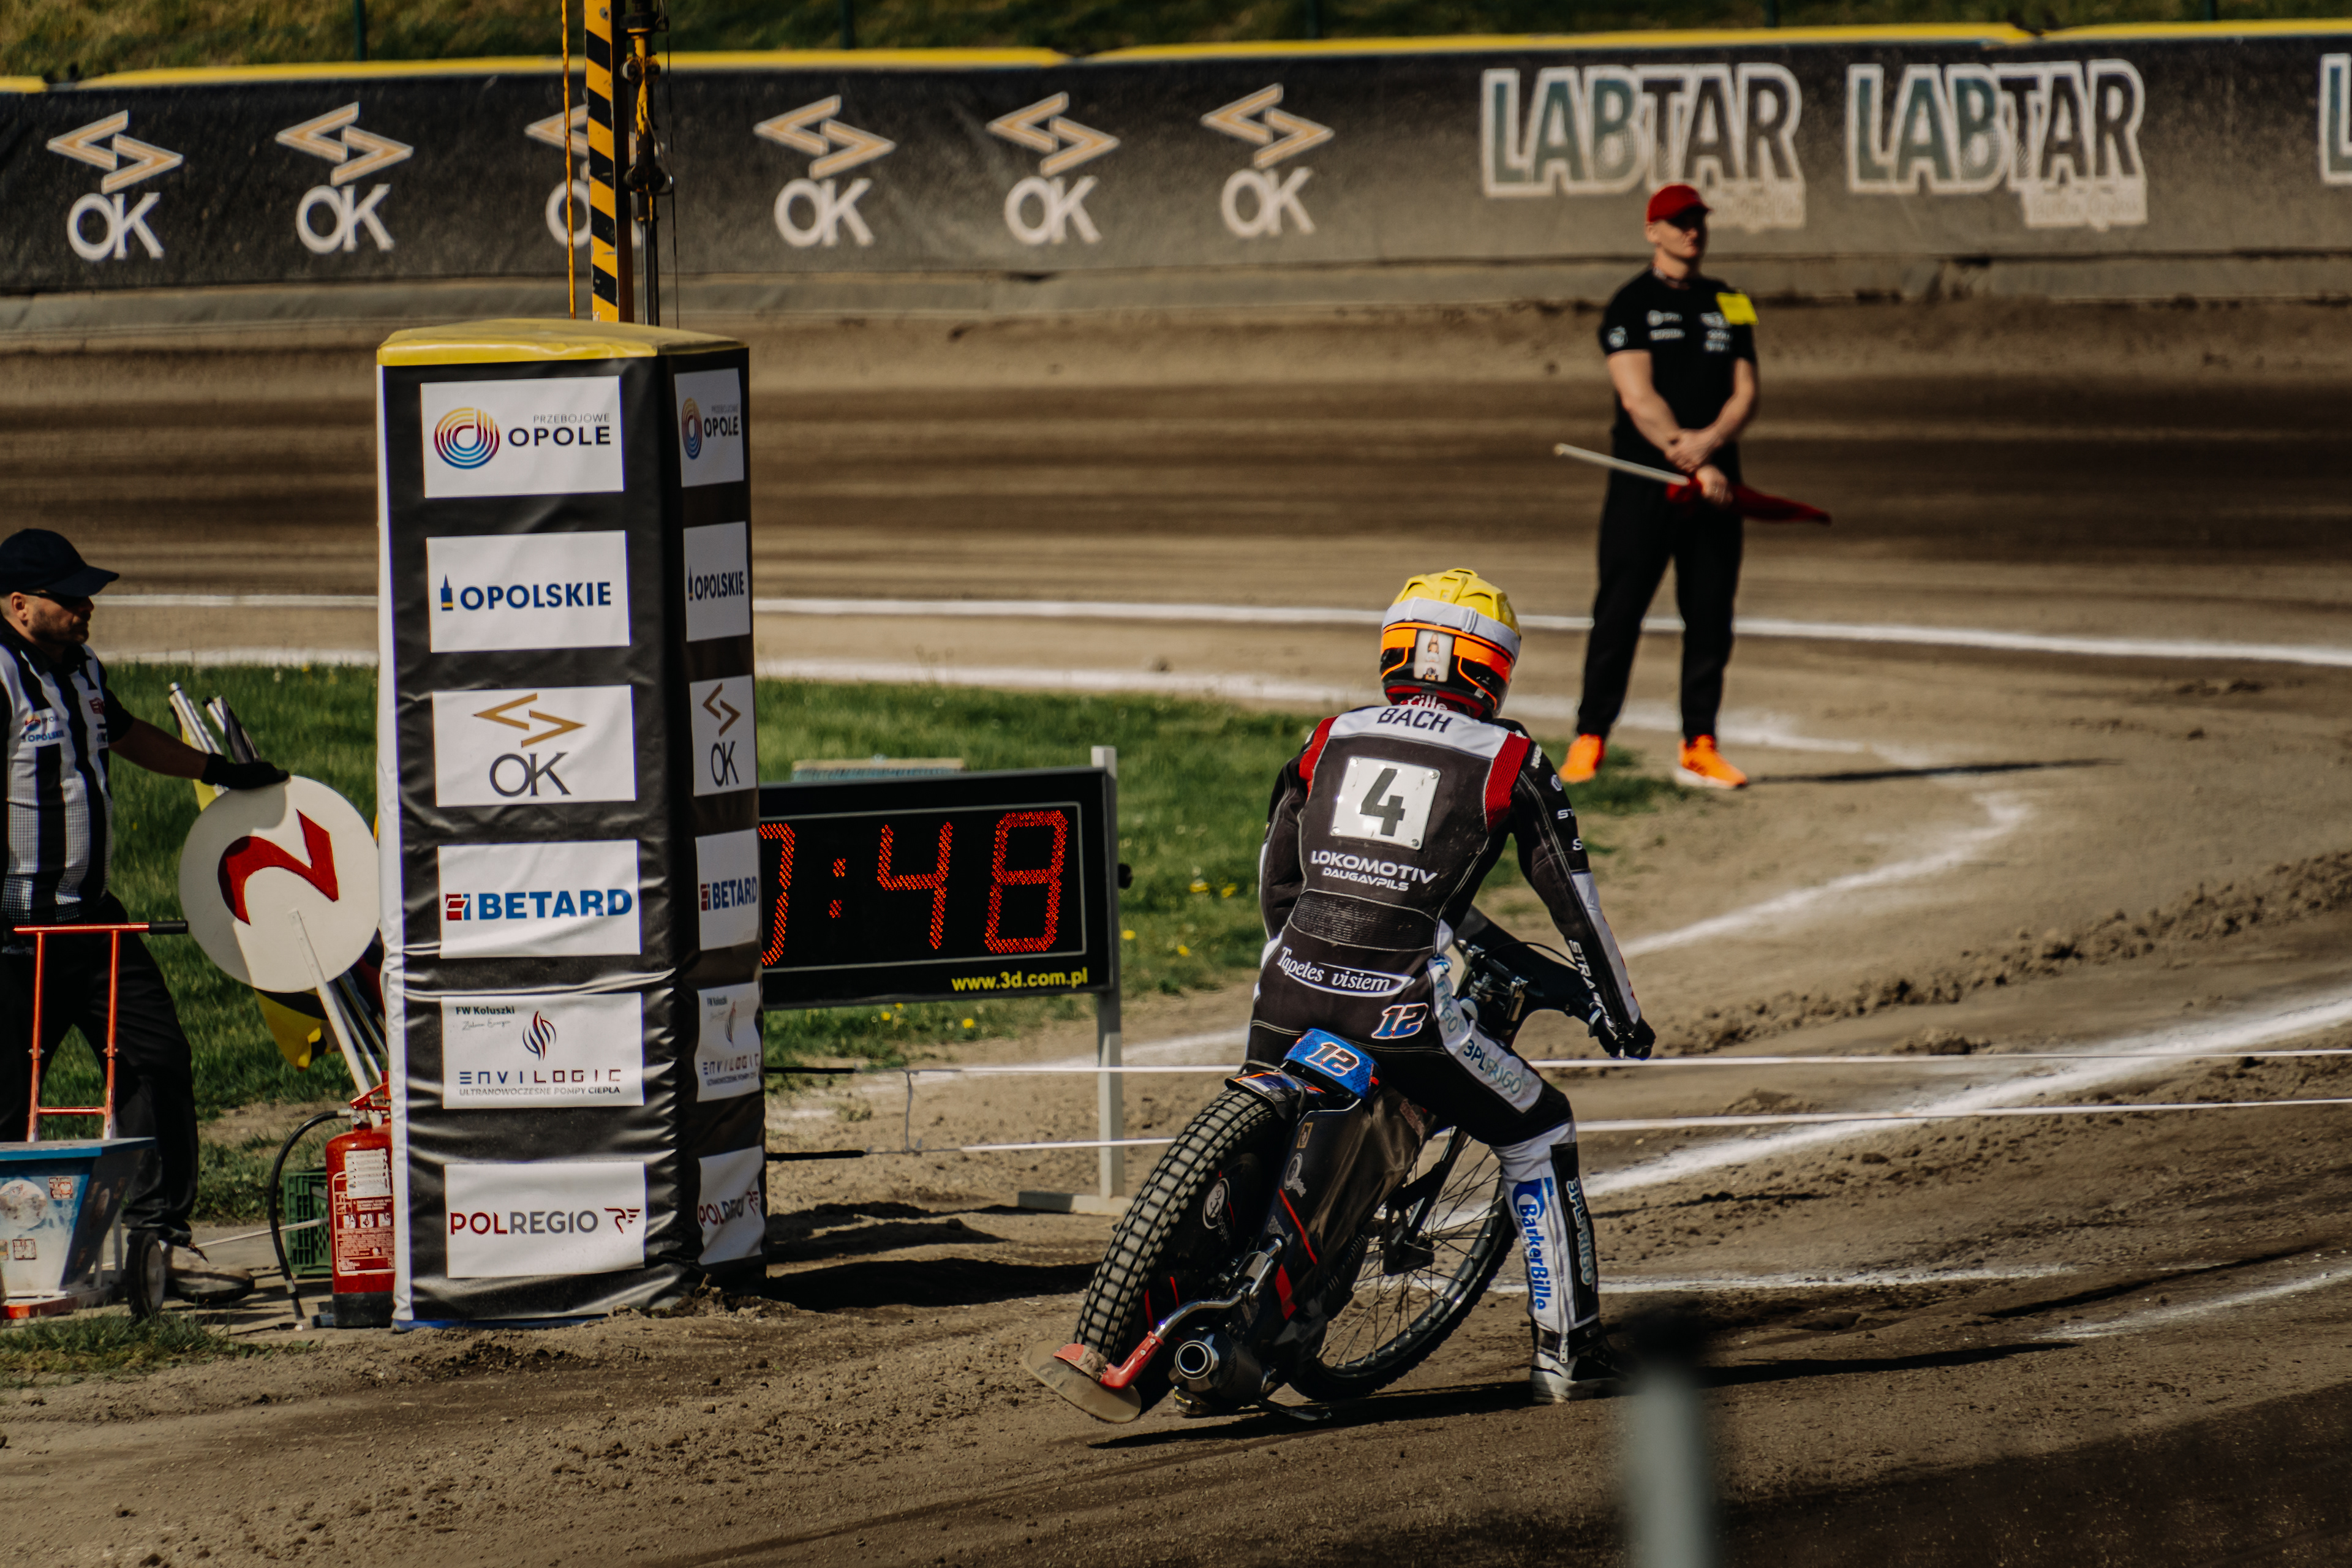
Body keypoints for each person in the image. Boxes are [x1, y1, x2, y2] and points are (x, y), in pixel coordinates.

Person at [1248, 567, 1656, 1403]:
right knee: (1540, 1127)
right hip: (1401, 1011)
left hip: (1285, 986)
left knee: (1261, 1142)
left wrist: (1306, 954)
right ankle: (1570, 1352)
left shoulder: (1332, 736)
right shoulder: (1510, 757)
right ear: (1492, 669)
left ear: (1397, 653)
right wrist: (1622, 1018)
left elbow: (1277, 878)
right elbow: (1575, 907)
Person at [0, 529, 287, 1302]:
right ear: (20, 604)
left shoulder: (83, 668)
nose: (87, 606)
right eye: (70, 596)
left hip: (95, 921)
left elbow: (123, 733)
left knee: (156, 1060)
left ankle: (161, 1244)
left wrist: (218, 770)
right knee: (5, 1095)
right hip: (16, 930)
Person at [1564, 183, 1760, 791]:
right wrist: (1690, 456)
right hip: (1645, 483)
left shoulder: (1733, 302)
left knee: (1710, 615)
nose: (1691, 231)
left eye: (1697, 220)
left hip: (1717, 484)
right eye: (1678, 222)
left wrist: (1712, 444)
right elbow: (1637, 397)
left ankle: (1700, 743)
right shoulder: (1630, 303)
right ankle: (1591, 736)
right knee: (1619, 611)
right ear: (1653, 231)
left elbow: (1747, 391)